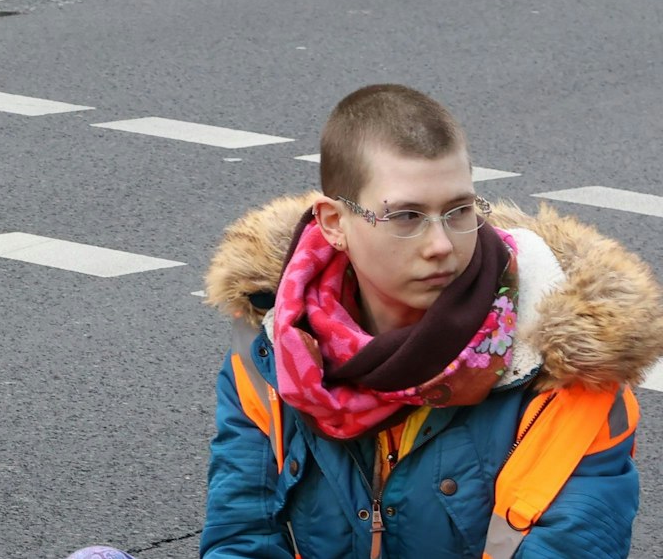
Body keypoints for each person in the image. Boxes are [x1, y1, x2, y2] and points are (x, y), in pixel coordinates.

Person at [201, 84, 660, 559]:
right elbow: (242, 537)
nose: (441, 245)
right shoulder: (275, 348)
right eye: (406, 216)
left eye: (459, 211)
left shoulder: (569, 370)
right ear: (335, 224)